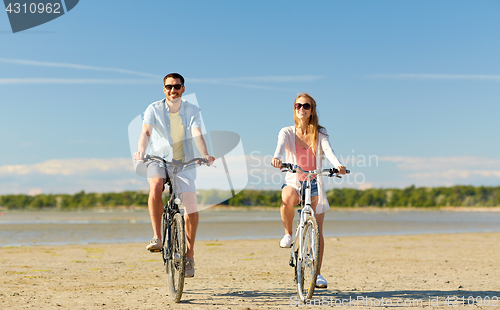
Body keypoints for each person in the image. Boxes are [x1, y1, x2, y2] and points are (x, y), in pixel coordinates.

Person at [133, 73, 214, 278]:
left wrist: (204, 154)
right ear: (164, 89)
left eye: (177, 86)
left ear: (183, 89)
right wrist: (141, 150)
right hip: (157, 158)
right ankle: (157, 237)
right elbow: (146, 132)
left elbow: (196, 132)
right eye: (168, 87)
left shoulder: (193, 110)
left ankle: (189, 255)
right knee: (155, 186)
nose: (172, 90)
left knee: (191, 206)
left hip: (184, 161)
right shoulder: (153, 108)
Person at [271, 93, 346, 289]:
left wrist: (338, 165)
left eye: (306, 106)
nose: (301, 109)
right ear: (294, 109)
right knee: (287, 197)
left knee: (318, 231)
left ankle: (317, 274)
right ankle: (288, 234)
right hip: (295, 180)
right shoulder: (287, 132)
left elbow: (328, 151)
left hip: (314, 182)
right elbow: (279, 147)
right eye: (298, 106)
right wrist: (277, 158)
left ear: (312, 110)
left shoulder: (320, 133)